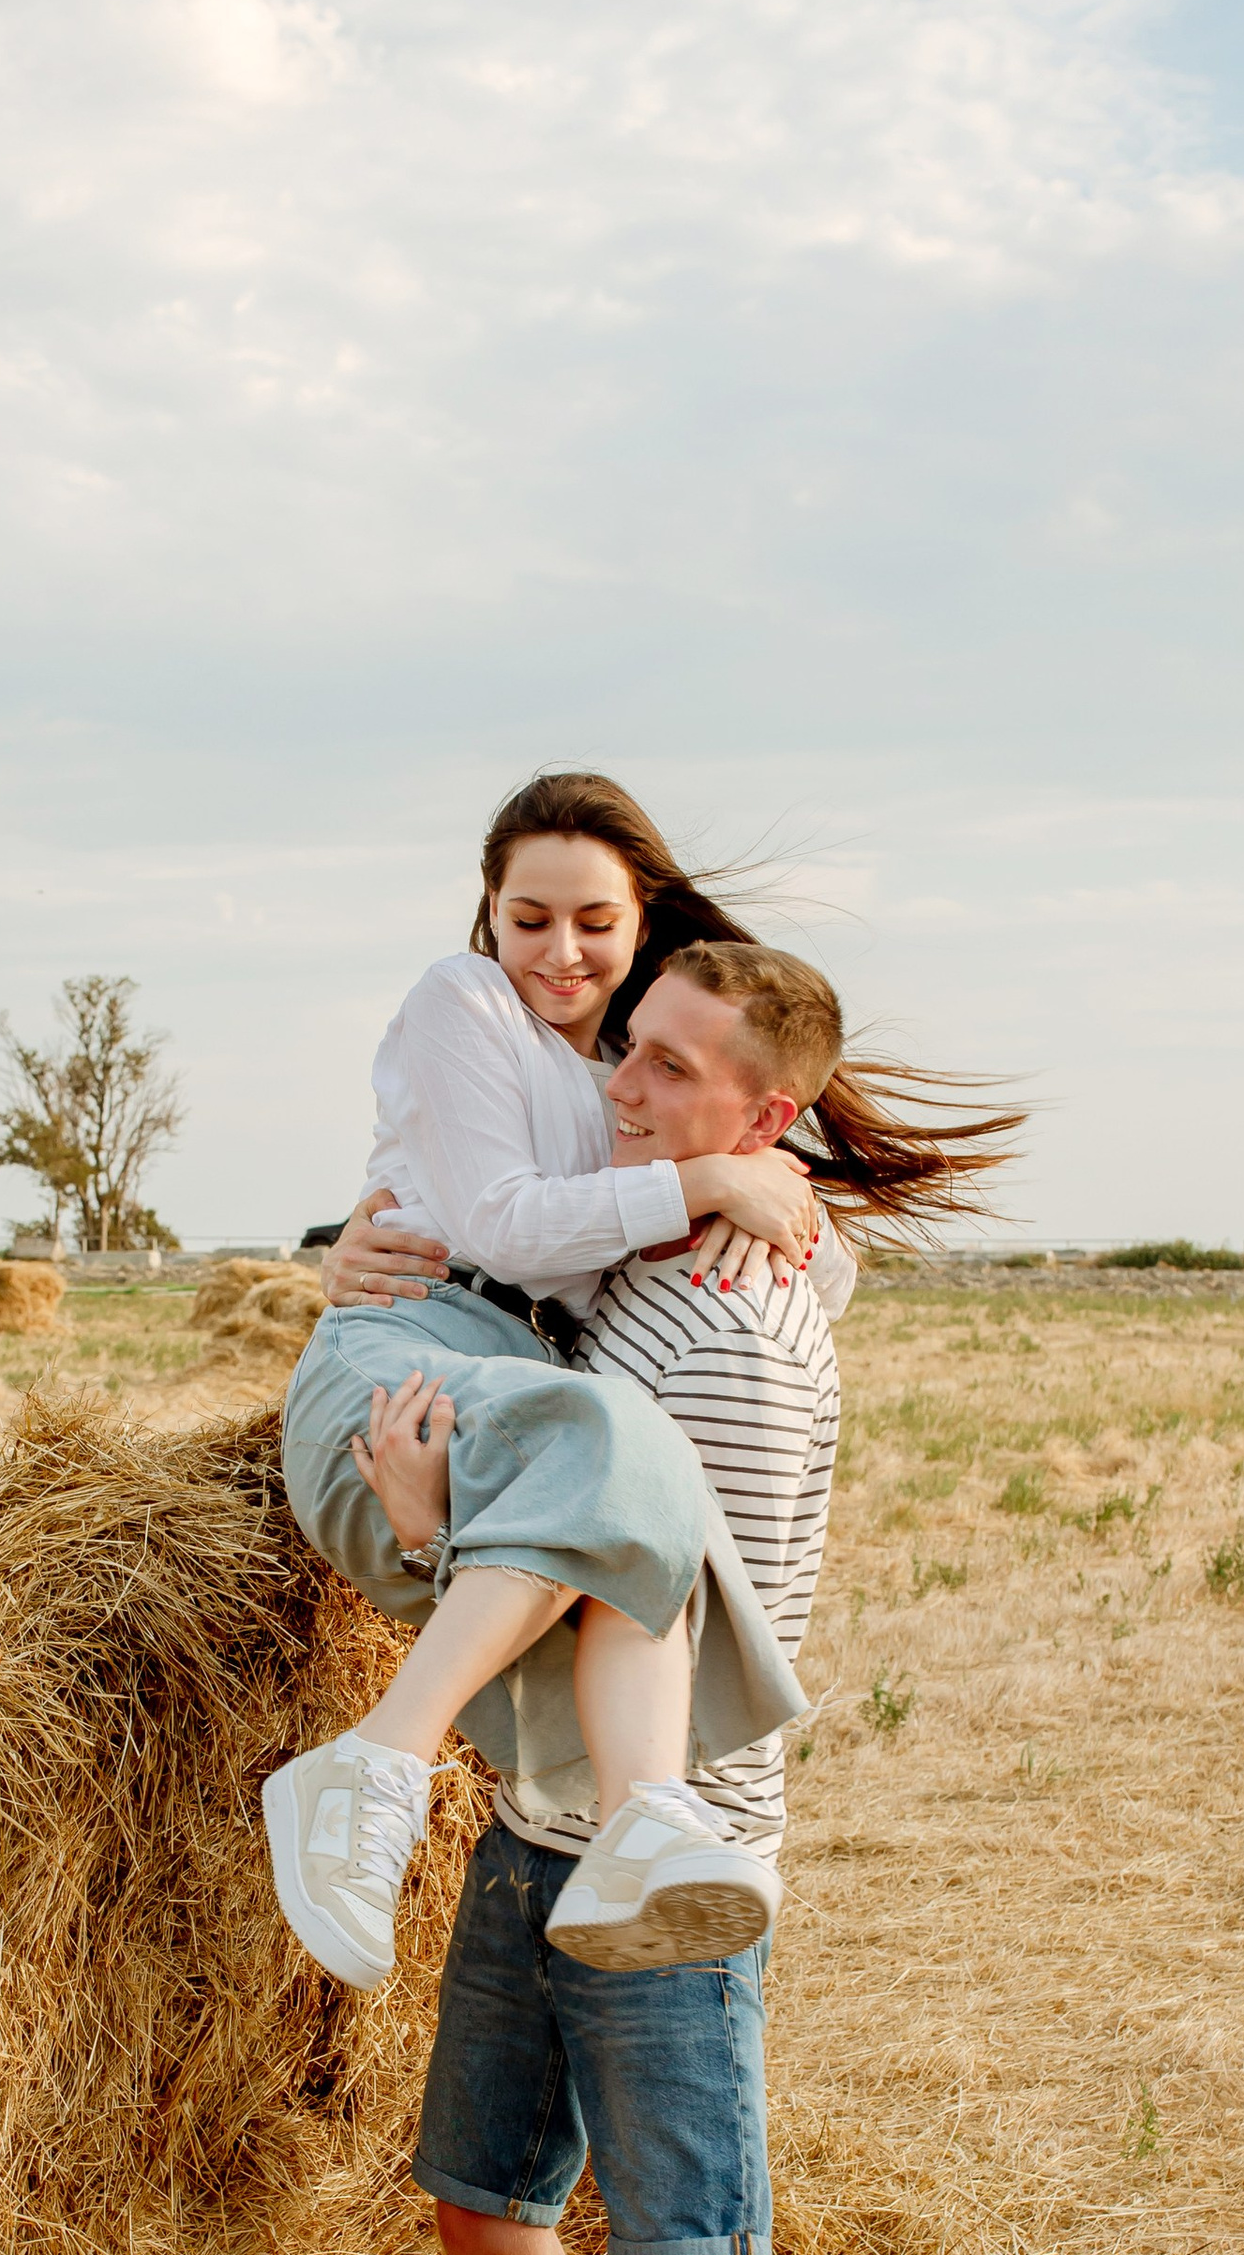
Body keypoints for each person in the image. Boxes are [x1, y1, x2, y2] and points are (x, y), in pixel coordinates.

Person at [350, 937, 989, 2255]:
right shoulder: (675, 1251)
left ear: (762, 1117)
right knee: (476, 2196)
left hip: (669, 1861)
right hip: (544, 1835)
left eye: (680, 1073)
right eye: (628, 1050)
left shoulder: (708, 1320)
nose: (629, 1086)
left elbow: (574, 1553)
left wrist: (426, 1502)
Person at [263, 780, 830, 1996]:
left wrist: (776, 1197)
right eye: (527, 919)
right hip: (407, 1350)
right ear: (488, 915)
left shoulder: (632, 1073)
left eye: (593, 923)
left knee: (646, 1511)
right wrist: (707, 1188)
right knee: (623, 1441)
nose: (558, 954)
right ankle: (373, 1766)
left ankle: (642, 1829)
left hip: (524, 1391)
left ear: (642, 927)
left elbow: (814, 1267)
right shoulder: (459, 1000)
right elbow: (503, 1227)